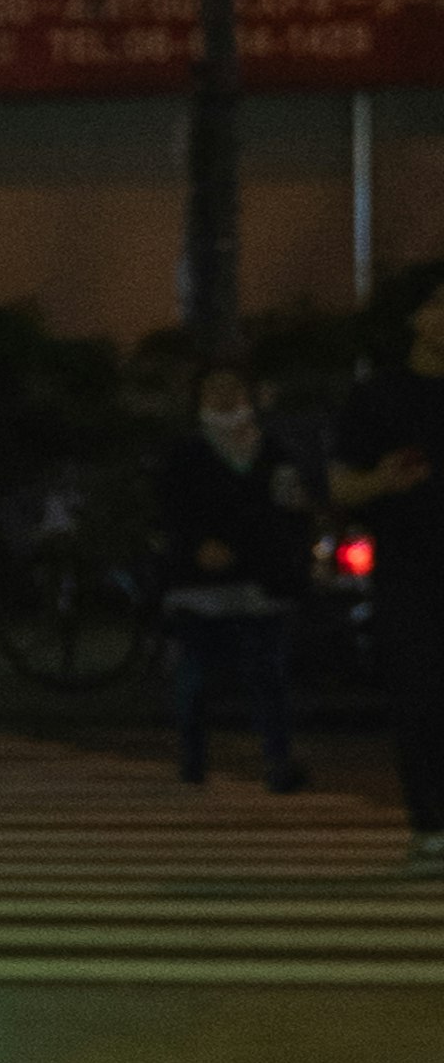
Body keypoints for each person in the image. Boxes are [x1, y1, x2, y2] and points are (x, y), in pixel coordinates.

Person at [153, 358, 314, 800]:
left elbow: (291, 510)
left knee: (269, 676)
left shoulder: (273, 450)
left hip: (262, 582)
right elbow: (170, 511)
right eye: (215, 389)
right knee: (198, 676)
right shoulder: (185, 452)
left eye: (233, 388)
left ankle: (278, 761)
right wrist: (197, 546)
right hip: (200, 585)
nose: (225, 397)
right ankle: (193, 758)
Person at [330, 262, 444, 861]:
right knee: (420, 696)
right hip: (410, 565)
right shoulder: (380, 396)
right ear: (414, 316)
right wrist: (381, 482)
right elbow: (342, 485)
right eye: (437, 305)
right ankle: (429, 824)